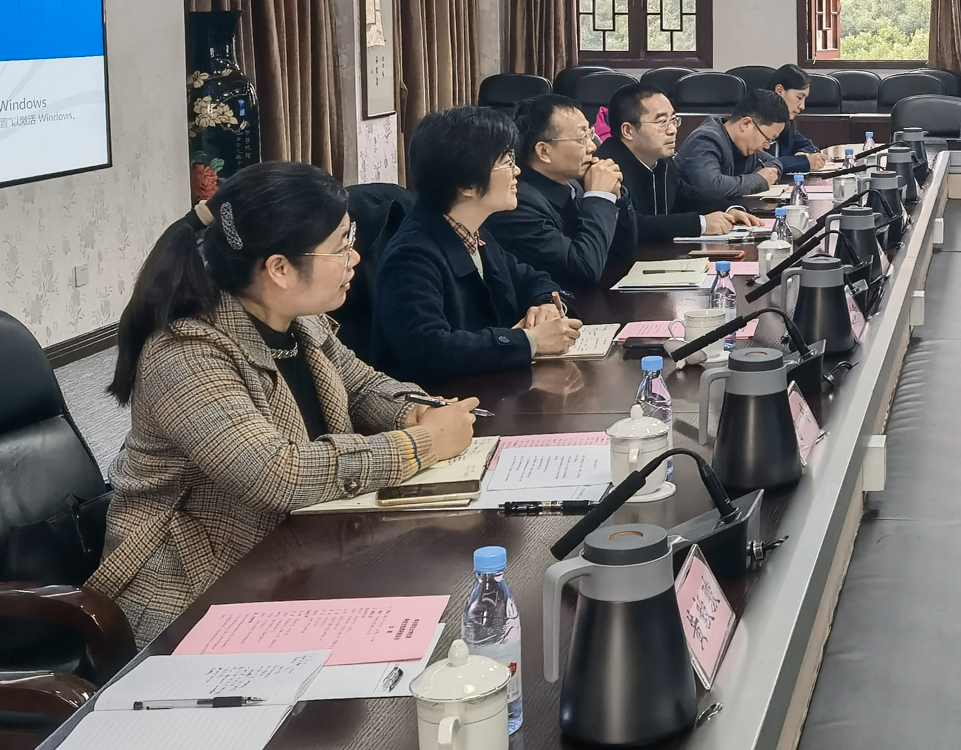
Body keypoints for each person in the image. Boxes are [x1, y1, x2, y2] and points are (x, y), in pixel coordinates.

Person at [88, 163, 480, 643]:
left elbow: (360, 385)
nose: (356, 257)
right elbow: (276, 474)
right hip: (192, 585)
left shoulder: (298, 319)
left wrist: (413, 410)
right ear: (279, 268)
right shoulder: (186, 354)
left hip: (292, 549)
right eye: (341, 245)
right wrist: (420, 444)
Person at [372, 106, 580, 387]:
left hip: (493, 388)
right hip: (445, 401)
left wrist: (544, 304)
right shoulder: (412, 256)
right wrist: (529, 341)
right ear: (467, 185)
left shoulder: (472, 231)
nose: (517, 170)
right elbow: (428, 349)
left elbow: (530, 277)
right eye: (506, 161)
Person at [484, 92, 633, 293]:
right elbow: (583, 270)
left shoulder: (574, 184)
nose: (592, 146)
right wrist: (599, 197)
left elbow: (622, 256)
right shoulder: (518, 203)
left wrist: (615, 196)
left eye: (590, 134)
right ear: (544, 151)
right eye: (581, 138)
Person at [597, 82, 757, 244]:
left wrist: (729, 209)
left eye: (673, 120)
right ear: (628, 131)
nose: (673, 130)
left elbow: (684, 195)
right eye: (662, 122)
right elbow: (629, 226)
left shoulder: (662, 160)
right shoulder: (606, 168)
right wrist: (700, 224)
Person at [677, 89, 788, 213]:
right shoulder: (705, 140)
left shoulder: (745, 146)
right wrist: (759, 180)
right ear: (746, 124)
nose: (767, 146)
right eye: (767, 139)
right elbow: (711, 187)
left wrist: (765, 175)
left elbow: (774, 162)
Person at [769, 64, 830, 174]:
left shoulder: (786, 122)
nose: (802, 106)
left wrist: (802, 153)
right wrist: (802, 161)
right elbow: (762, 164)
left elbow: (809, 145)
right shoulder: (758, 121)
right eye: (799, 97)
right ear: (779, 90)